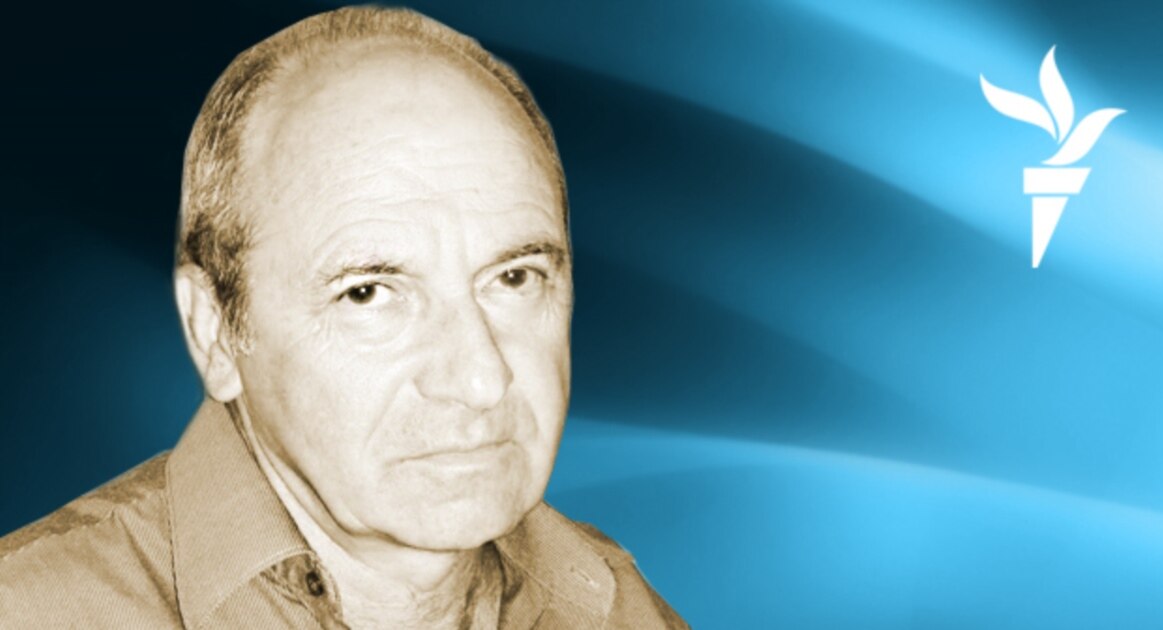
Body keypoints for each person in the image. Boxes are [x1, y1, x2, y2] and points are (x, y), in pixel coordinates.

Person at [0, 6, 686, 628]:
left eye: (513, 278)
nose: (481, 379)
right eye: (368, 294)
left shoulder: (621, 608)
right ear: (215, 332)